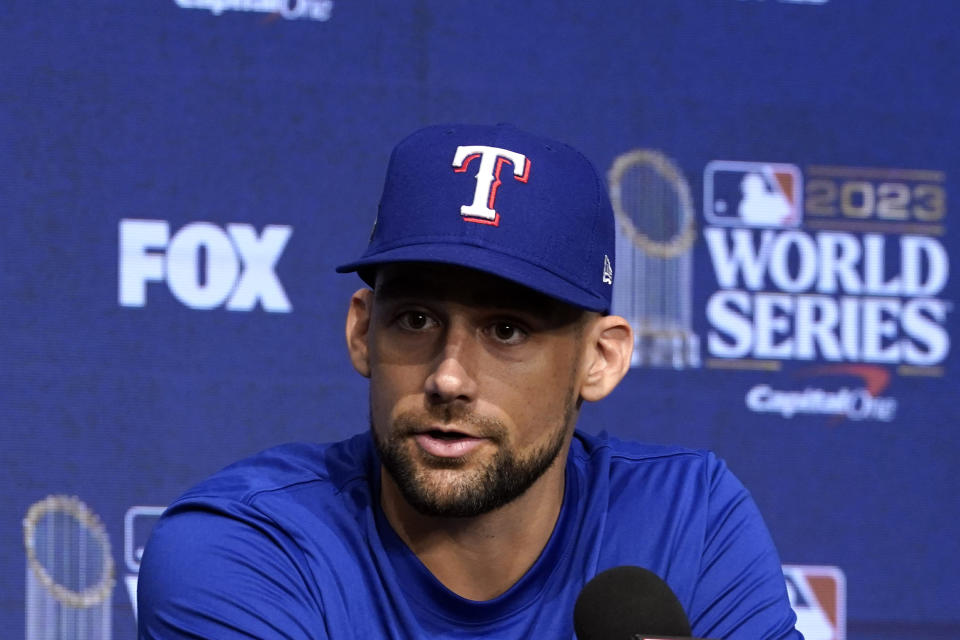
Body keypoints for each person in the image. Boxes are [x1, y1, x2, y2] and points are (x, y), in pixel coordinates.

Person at [138, 123, 802, 639]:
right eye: (417, 319)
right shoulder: (247, 546)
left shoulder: (689, 521)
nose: (449, 375)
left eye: (507, 330)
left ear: (600, 358)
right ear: (361, 331)